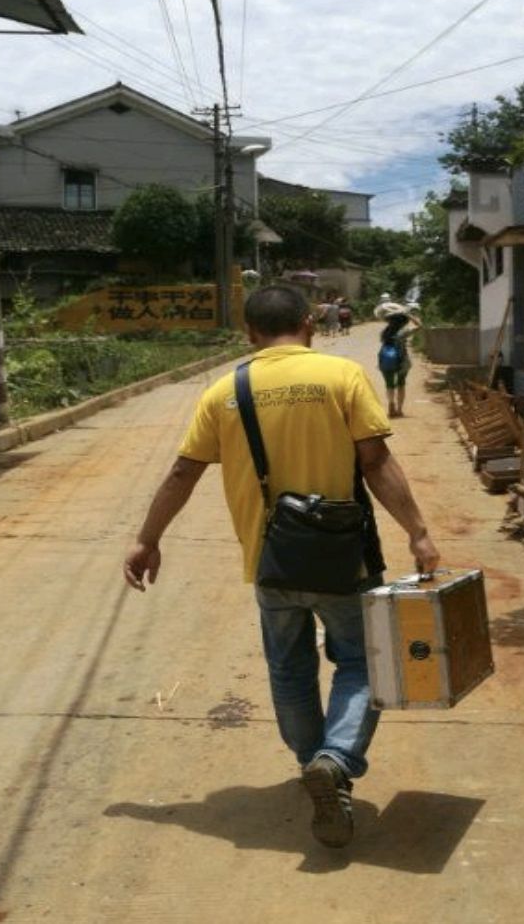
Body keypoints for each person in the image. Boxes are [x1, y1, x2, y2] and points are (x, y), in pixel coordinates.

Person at [123, 285, 440, 850]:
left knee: (290, 671)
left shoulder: (223, 392)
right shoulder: (341, 378)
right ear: (309, 323)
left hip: (271, 563)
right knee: (363, 664)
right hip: (345, 560)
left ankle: (310, 764)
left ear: (250, 333)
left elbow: (181, 473)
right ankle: (336, 760)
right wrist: (418, 532)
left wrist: (147, 540)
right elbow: (377, 462)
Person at [377, 311, 420, 418]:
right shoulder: (404, 332)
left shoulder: (385, 332)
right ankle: (399, 409)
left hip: (385, 360)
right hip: (402, 361)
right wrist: (410, 315)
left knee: (389, 384)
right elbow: (420, 326)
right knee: (401, 384)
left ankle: (391, 404)